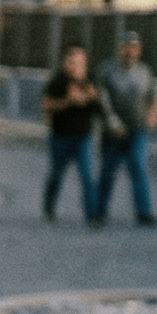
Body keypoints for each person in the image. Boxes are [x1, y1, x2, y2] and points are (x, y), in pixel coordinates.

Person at [92, 31, 157, 227]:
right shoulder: (107, 71)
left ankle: (143, 213)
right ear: (120, 49)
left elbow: (154, 96)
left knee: (138, 167)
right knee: (108, 171)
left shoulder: (144, 72)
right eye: (127, 47)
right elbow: (102, 100)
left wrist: (153, 114)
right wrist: (114, 123)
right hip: (113, 131)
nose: (130, 52)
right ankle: (99, 212)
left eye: (134, 47)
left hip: (137, 129)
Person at [41, 44, 101, 223]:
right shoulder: (58, 81)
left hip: (82, 137)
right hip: (60, 137)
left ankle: (92, 215)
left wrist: (93, 98)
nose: (78, 66)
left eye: (82, 62)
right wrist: (68, 101)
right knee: (56, 175)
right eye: (74, 62)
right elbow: (47, 105)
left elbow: (98, 109)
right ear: (67, 63)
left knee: (87, 176)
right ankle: (49, 208)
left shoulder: (90, 80)